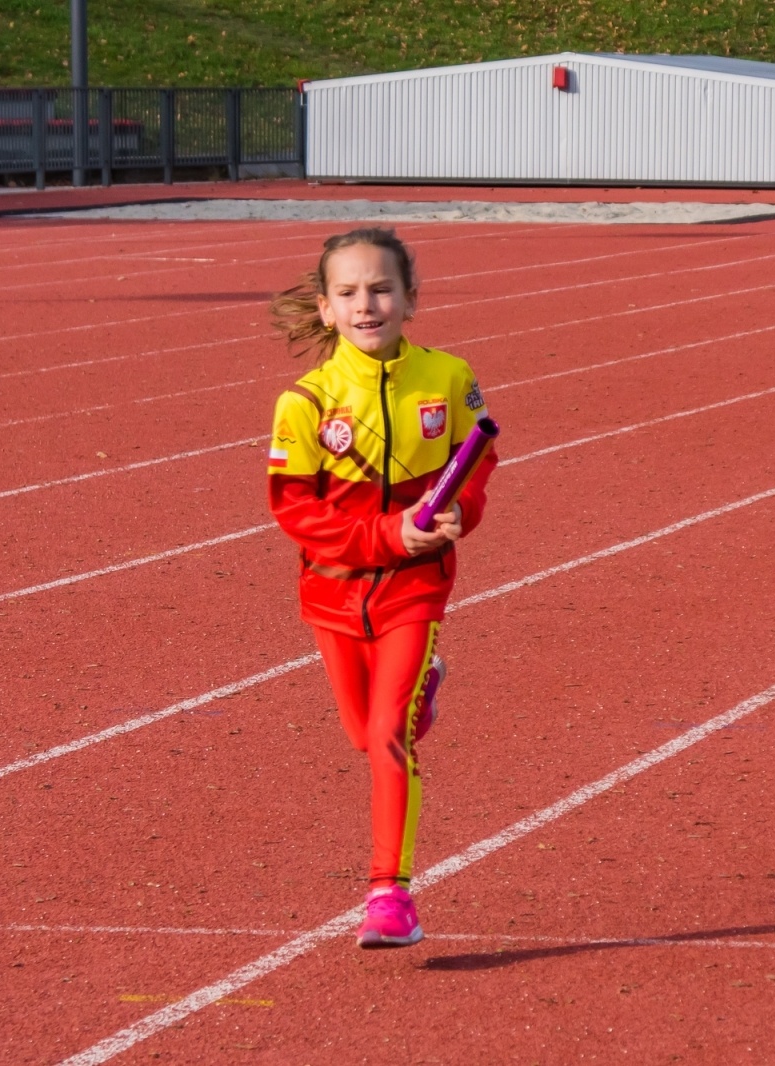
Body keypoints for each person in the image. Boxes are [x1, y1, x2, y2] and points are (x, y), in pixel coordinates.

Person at [267, 228, 497, 948]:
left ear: (409, 299)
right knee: (358, 734)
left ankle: (388, 893)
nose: (367, 304)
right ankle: (426, 686)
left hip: (414, 591)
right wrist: (385, 535)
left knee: (387, 738)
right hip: (331, 593)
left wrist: (462, 512)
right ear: (326, 307)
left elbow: (478, 463)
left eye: (381, 289)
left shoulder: (450, 379)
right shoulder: (304, 403)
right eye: (349, 293)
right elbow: (294, 511)